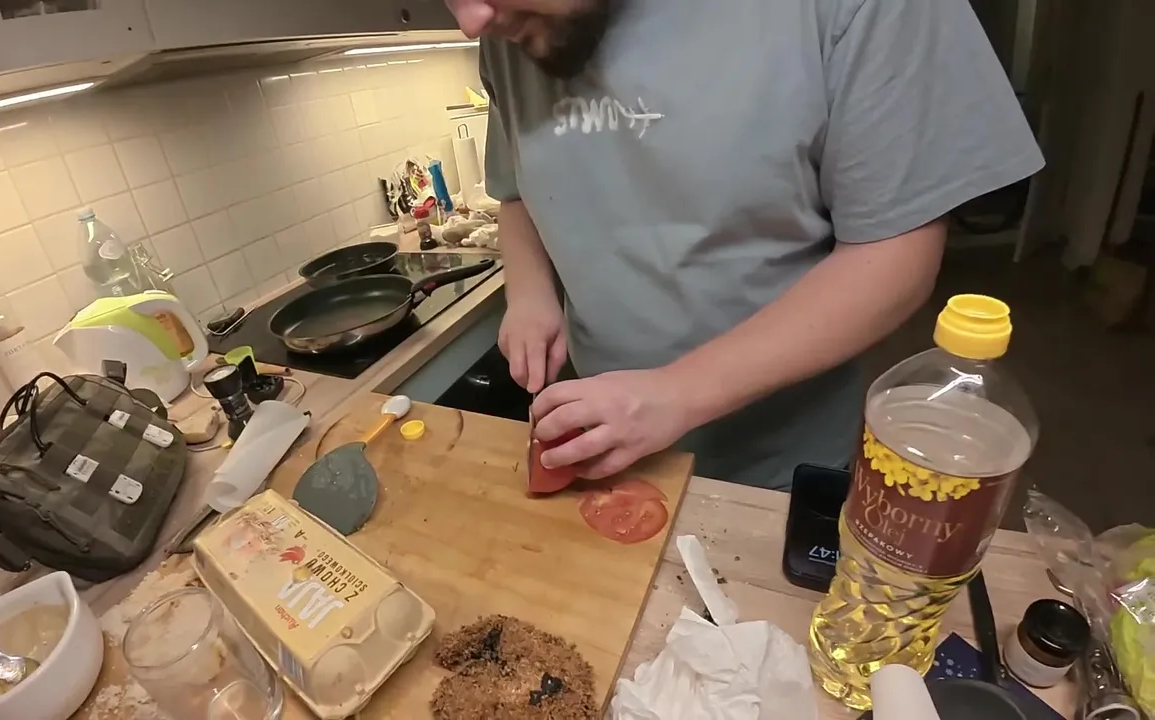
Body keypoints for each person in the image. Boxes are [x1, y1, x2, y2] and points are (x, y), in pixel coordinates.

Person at [447, 0, 1044, 489]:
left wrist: (675, 394)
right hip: (605, 457)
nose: (470, 20)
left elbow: (894, 255)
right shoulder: (510, 22)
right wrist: (529, 291)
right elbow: (516, 189)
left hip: (778, 469)